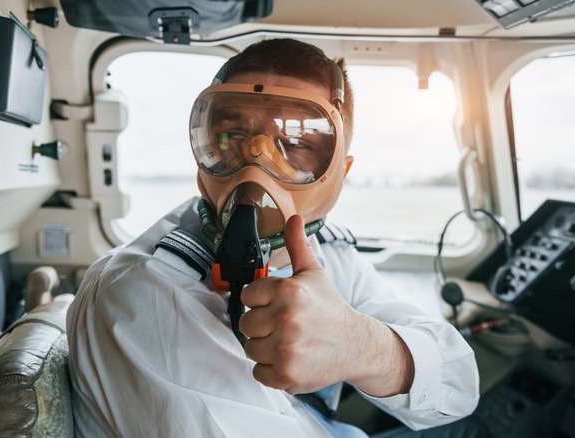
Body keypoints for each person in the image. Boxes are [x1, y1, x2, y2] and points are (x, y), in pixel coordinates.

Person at [67, 38, 482, 437]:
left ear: (340, 174)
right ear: (204, 156)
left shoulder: (326, 254)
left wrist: (361, 346)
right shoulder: (149, 293)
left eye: (296, 143)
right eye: (232, 137)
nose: (257, 162)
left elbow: (459, 386)